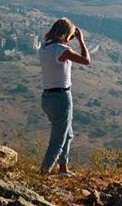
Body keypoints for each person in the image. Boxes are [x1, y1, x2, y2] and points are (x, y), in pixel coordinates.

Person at [38, 17, 91, 175]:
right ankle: (44, 172)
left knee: (67, 134)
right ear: (65, 34)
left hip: (47, 97)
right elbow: (86, 60)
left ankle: (63, 168)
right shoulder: (60, 50)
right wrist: (81, 41)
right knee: (58, 140)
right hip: (61, 98)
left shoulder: (44, 48)